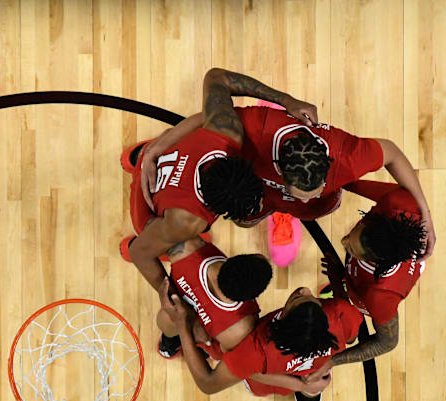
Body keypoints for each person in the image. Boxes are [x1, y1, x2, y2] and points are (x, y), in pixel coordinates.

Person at [140, 68, 436, 260]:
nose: (310, 194)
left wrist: (425, 212)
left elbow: (393, 153)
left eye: (315, 187)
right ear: (280, 170)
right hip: (257, 182)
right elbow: (208, 117)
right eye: (299, 191)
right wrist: (159, 146)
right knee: (244, 218)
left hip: (277, 187)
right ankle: (157, 156)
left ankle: (287, 213)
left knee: (317, 207)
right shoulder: (259, 129)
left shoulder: (348, 153)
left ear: (328, 163)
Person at [122, 68, 317, 294]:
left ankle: (138, 155)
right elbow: (140, 252)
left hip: (160, 154)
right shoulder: (189, 221)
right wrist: (170, 298)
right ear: (215, 209)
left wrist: (287, 101)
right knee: (178, 247)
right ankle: (154, 243)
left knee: (212, 118)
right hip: (147, 204)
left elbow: (216, 78)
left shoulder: (225, 132)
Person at [304, 180, 426, 383]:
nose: (343, 242)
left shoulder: (380, 297)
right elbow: (350, 181)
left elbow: (387, 343)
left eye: (351, 249)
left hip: (365, 294)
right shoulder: (400, 203)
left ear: (376, 262)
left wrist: (332, 362)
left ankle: (343, 288)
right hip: (367, 274)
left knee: (347, 330)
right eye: (351, 236)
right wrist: (330, 181)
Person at [161, 285, 363, 401]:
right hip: (311, 372)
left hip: (265, 382)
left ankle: (171, 343)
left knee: (204, 337)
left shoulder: (256, 349)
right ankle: (309, 394)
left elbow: (208, 384)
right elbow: (352, 340)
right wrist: (323, 367)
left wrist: (182, 326)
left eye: (300, 298)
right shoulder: (341, 312)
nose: (304, 289)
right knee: (314, 387)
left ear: (283, 318)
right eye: (313, 298)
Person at [154, 237, 271, 359]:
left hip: (177, 316)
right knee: (212, 350)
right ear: (250, 298)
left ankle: (169, 342)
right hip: (207, 336)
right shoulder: (239, 329)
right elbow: (220, 354)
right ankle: (186, 344)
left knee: (168, 318)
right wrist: (197, 334)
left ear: (230, 259)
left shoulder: (188, 248)